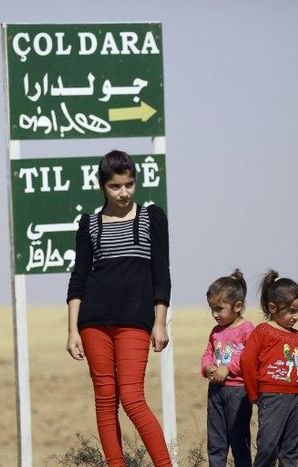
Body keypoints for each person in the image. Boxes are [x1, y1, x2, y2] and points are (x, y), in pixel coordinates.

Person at [66, 150, 172, 467]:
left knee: (132, 397)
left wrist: (160, 321)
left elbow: (161, 273)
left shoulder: (152, 217)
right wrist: (72, 329)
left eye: (129, 184)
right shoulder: (89, 224)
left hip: (135, 322)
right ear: (102, 186)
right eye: (115, 187)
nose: (123, 193)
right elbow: (79, 278)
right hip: (93, 322)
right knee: (105, 398)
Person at [240, 271, 298, 467]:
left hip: (297, 396)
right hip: (271, 396)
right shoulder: (262, 331)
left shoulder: (297, 336)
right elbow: (247, 362)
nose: (296, 317)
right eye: (292, 311)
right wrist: (254, 394)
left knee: (290, 449)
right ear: (273, 307)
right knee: (268, 447)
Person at [200, 269, 254, 466]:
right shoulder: (216, 331)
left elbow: (249, 357)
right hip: (215, 392)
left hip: (238, 393)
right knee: (216, 443)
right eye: (211, 309)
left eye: (219, 308)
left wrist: (227, 368)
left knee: (239, 442)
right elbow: (208, 353)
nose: (215, 314)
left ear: (237, 306)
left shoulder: (247, 329)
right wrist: (208, 368)